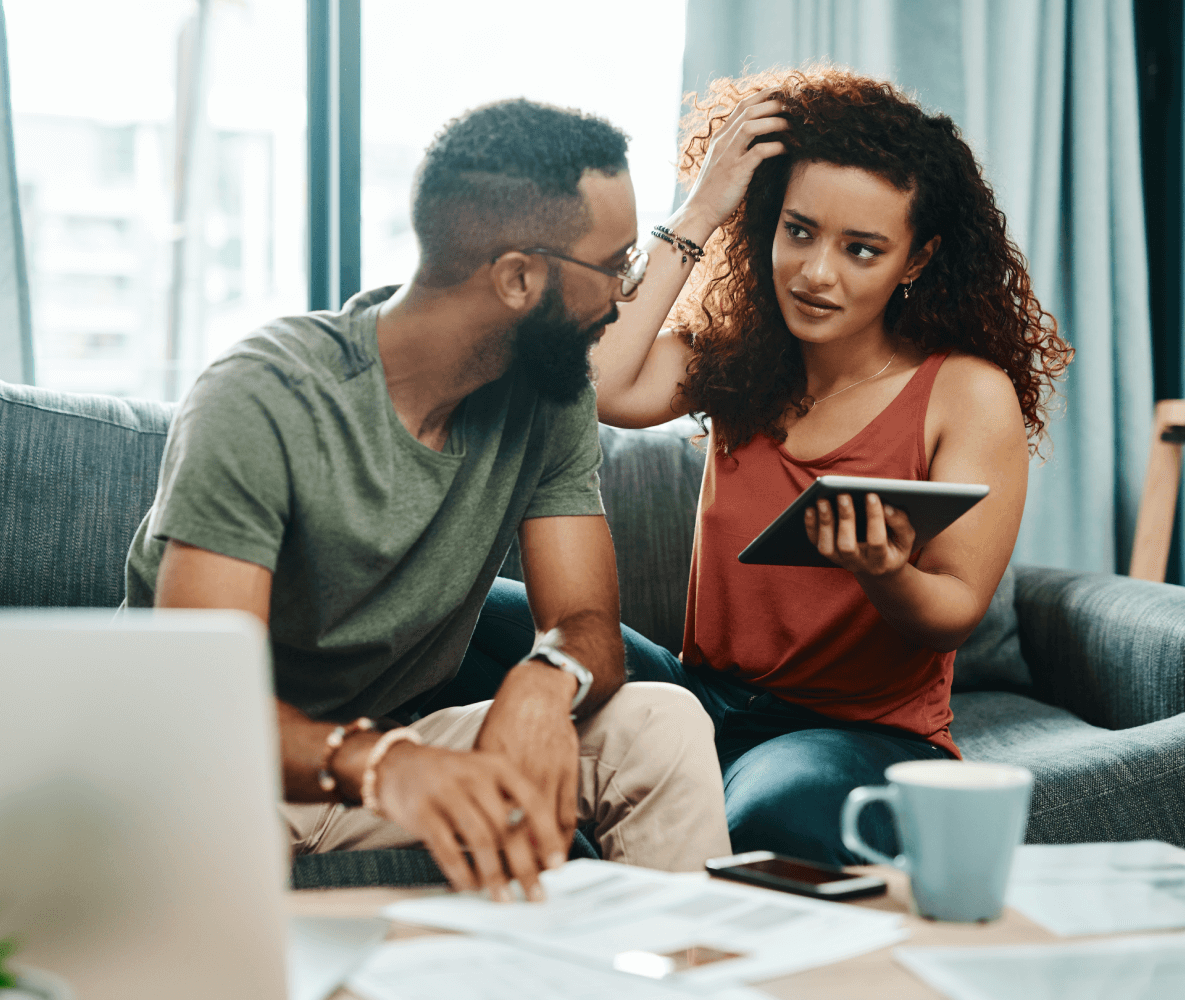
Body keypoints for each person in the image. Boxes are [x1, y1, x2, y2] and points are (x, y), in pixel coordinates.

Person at [123, 99, 731, 901]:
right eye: (615, 266)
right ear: (519, 277)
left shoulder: (550, 401)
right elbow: (201, 700)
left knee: (662, 724)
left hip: (392, 752)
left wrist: (546, 680)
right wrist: (382, 765)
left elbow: (588, 626)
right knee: (216, 837)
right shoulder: (265, 397)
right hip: (213, 767)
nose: (623, 300)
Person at [501, 66, 1071, 865]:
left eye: (861, 250)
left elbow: (953, 608)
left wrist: (883, 569)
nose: (816, 272)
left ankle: (646, 818)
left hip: (852, 734)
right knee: (480, 616)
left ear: (916, 260)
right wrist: (704, 205)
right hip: (698, 695)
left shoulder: (965, 395)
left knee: (775, 812)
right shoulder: (740, 362)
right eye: (797, 231)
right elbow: (599, 382)